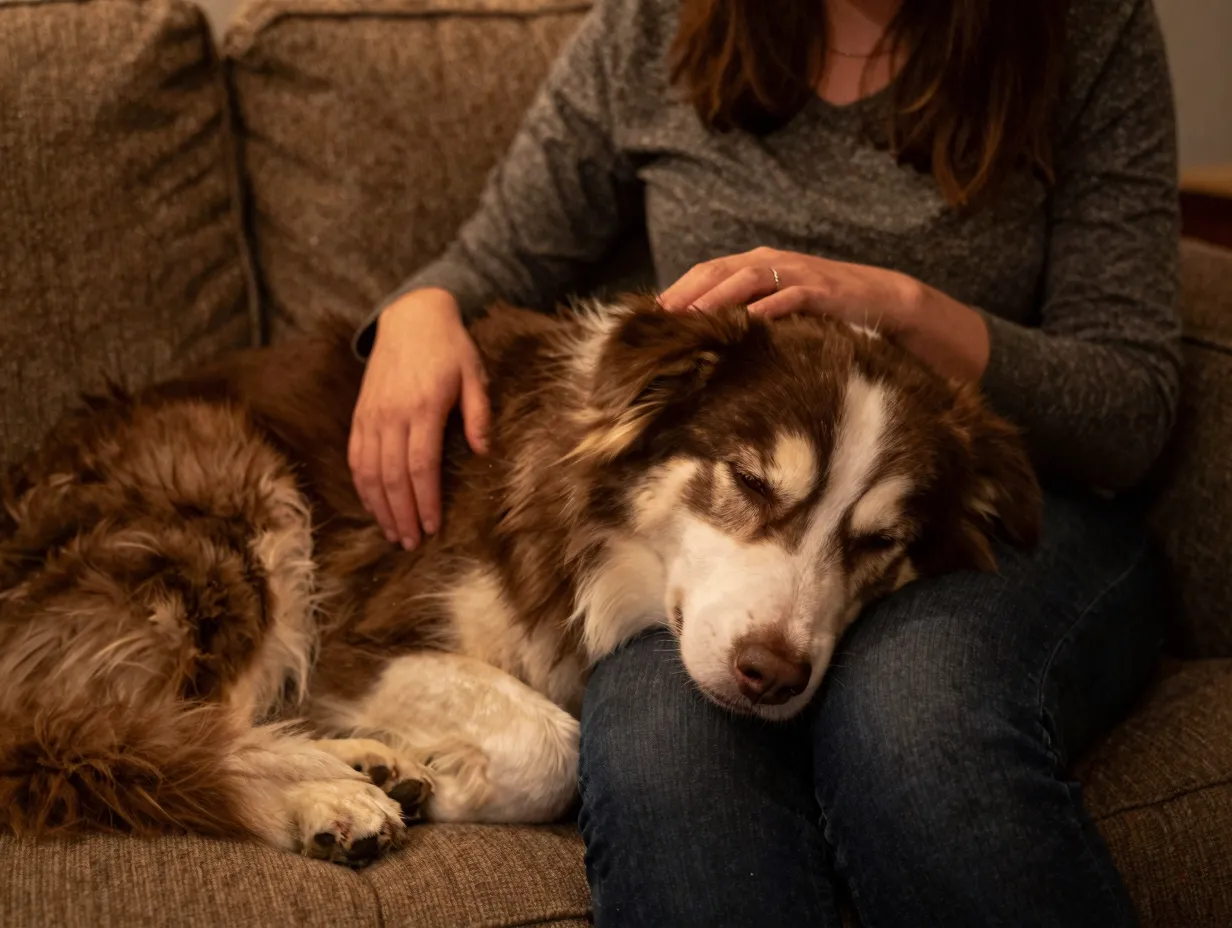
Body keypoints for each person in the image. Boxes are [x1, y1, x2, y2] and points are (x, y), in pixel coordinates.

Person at [347, 0, 1181, 924]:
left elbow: (1134, 407)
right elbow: (493, 259)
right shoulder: (657, 22)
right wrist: (420, 308)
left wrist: (911, 308)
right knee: (666, 745)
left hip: (983, 518)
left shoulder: (1091, 28)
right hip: (735, 480)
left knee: (913, 715)